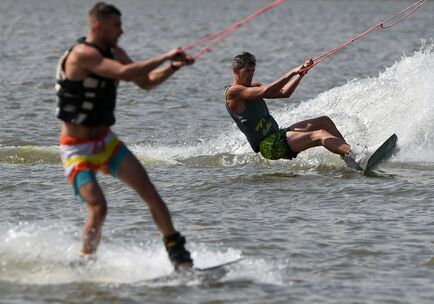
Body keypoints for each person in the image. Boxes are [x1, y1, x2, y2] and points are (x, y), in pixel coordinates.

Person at [55, 2, 194, 270]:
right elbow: (123, 73)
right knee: (99, 207)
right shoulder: (81, 54)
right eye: (116, 25)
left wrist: (173, 66)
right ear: (99, 26)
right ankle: (86, 263)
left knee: (149, 191)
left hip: (106, 142)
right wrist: (166, 55)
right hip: (76, 148)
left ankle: (180, 259)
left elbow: (145, 81)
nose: (122, 31)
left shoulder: (115, 51)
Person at [225, 52, 363, 170]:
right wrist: (291, 72)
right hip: (269, 146)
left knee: (324, 122)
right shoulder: (233, 92)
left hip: (278, 135)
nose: (251, 75)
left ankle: (349, 158)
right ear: (235, 71)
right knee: (319, 135)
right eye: (247, 71)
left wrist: (300, 74)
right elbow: (266, 91)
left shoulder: (252, 86)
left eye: (253, 70)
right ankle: (356, 154)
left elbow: (284, 92)